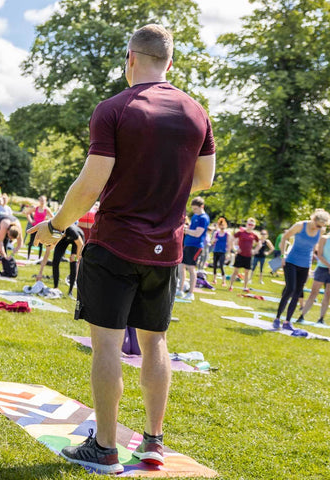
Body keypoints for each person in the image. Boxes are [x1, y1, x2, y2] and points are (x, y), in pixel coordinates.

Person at [28, 24, 215, 474]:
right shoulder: (196, 112)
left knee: (107, 345)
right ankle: (153, 444)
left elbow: (90, 184)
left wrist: (55, 226)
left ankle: (106, 448)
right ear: (170, 62)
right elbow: (204, 180)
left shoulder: (114, 108)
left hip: (115, 242)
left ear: (130, 58)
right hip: (165, 249)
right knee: (156, 345)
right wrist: (161, 187)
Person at [273, 209, 330, 330]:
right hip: (291, 261)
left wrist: (312, 263)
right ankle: (277, 318)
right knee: (290, 289)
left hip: (305, 264)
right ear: (313, 219)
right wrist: (282, 256)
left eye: (321, 226)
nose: (318, 228)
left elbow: (314, 247)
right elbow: (284, 238)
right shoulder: (300, 225)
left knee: (298, 292)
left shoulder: (321, 230)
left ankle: (287, 322)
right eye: (318, 225)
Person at [296, 220, 330, 324]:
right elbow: (319, 255)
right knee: (314, 293)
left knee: (328, 294)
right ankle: (302, 315)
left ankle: (321, 318)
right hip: (322, 268)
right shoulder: (324, 239)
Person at [35, 225, 84, 298]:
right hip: (64, 239)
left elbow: (80, 244)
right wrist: (40, 272)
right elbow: (47, 253)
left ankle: (70, 291)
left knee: (73, 262)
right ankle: (55, 287)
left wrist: (76, 257)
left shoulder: (72, 231)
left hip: (77, 241)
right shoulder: (55, 235)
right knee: (55, 261)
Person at [178, 197, 209, 300]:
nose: (194, 211)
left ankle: (191, 293)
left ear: (202, 207)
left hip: (195, 246)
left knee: (191, 268)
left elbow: (197, 233)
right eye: (193, 208)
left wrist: (185, 230)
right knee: (181, 266)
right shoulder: (196, 216)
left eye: (196, 208)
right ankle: (180, 290)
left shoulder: (203, 218)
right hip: (188, 244)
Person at [228, 218, 261, 292]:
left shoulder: (254, 235)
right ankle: (231, 286)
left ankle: (245, 287)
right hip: (240, 254)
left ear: (254, 226)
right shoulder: (241, 232)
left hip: (248, 256)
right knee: (235, 271)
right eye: (249, 224)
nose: (250, 226)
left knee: (247, 272)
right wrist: (235, 248)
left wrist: (255, 250)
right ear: (246, 224)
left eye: (252, 225)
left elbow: (259, 244)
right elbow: (231, 239)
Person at [26, 195, 53, 260]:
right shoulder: (36, 208)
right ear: (39, 201)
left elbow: (53, 217)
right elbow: (27, 213)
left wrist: (47, 222)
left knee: (40, 243)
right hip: (35, 227)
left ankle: (39, 258)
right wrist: (31, 221)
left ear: (45, 201)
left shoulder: (47, 209)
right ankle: (28, 257)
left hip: (42, 229)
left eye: (43, 200)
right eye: (41, 200)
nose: (42, 202)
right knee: (31, 241)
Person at [211, 217, 231, 286]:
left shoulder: (227, 234)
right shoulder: (216, 233)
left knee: (221, 266)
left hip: (222, 251)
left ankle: (223, 281)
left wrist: (228, 253)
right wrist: (214, 240)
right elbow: (212, 241)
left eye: (223, 225)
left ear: (225, 225)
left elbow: (229, 244)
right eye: (220, 225)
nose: (222, 227)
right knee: (215, 265)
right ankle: (214, 279)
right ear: (219, 226)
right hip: (216, 250)